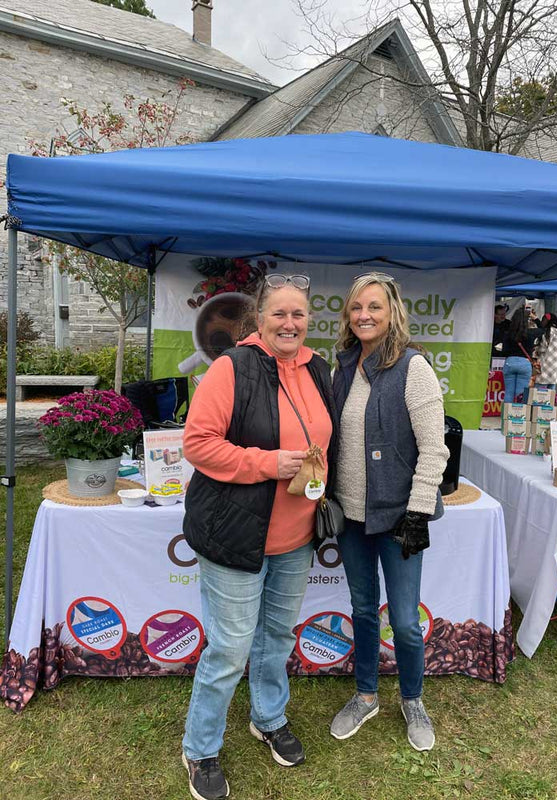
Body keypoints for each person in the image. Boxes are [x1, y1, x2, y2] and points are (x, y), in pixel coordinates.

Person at [181, 273, 337, 800]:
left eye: (298, 314)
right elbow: (199, 444)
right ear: (260, 320)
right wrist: (267, 463)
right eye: (279, 314)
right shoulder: (231, 368)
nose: (289, 323)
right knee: (229, 647)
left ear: (308, 319)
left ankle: (268, 717)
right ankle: (200, 748)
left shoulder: (319, 368)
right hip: (235, 534)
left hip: (296, 535)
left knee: (277, 637)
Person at [329, 272, 449, 751]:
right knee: (361, 609)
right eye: (356, 307)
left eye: (374, 307)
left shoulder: (413, 366)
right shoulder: (343, 367)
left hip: (400, 516)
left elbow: (434, 449)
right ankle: (365, 694)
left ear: (392, 310)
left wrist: (418, 512)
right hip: (351, 516)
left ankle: (412, 698)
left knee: (402, 618)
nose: (364, 315)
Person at [502, 306, 541, 403]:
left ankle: (506, 416)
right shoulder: (531, 333)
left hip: (510, 362)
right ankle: (518, 415)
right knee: (520, 394)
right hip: (524, 363)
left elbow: (504, 351)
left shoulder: (508, 334)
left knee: (509, 393)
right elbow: (544, 329)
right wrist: (535, 318)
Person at [534, 312, 557, 389]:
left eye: (543, 320)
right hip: (556, 366)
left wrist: (536, 350)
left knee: (538, 390)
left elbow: (542, 347)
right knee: (551, 392)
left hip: (546, 364)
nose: (542, 322)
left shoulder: (548, 332)